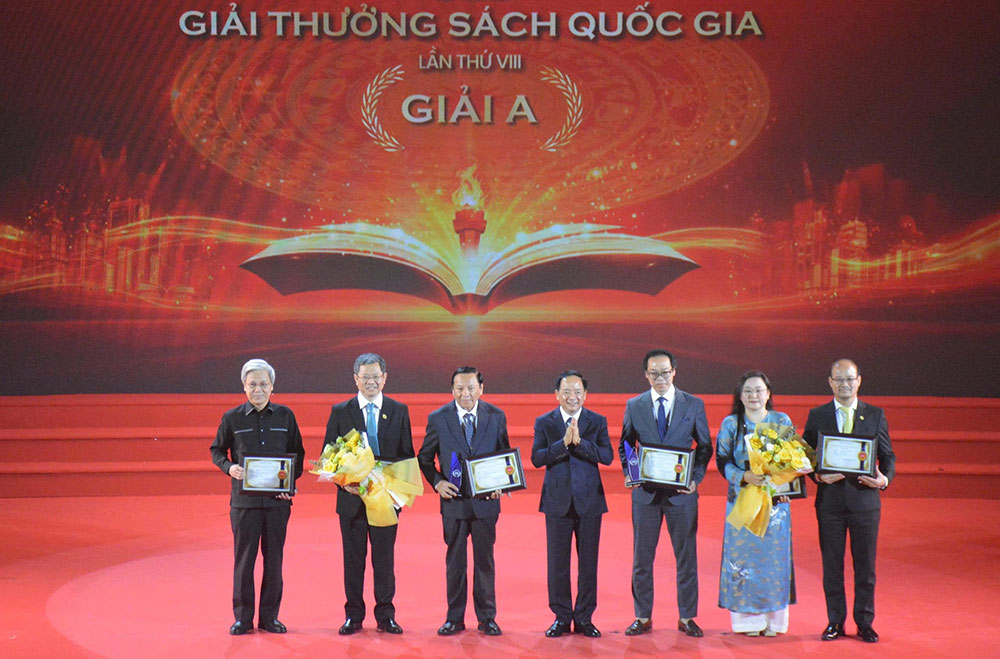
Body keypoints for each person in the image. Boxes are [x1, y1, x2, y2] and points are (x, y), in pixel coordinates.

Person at [618, 349, 713, 637]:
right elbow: (626, 445)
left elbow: (705, 446)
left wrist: (694, 478)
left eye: (665, 372)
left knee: (686, 557)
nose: (660, 378)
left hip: (681, 495)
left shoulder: (693, 404)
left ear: (674, 372)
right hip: (645, 496)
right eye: (654, 373)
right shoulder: (634, 405)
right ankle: (642, 616)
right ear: (646, 375)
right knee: (642, 558)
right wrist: (632, 474)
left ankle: (687, 617)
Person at [210, 358, 305, 636]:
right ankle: (243, 618)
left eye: (263, 384)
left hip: (277, 503)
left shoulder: (286, 416)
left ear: (272, 387)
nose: (258, 389)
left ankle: (269, 618)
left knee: (274, 560)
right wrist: (231, 468)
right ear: (244, 387)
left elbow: (296, 454)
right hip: (244, 503)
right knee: (244, 560)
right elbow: (217, 451)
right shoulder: (232, 418)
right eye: (253, 384)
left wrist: (291, 483)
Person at [803, 359, 895, 644]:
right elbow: (804, 455)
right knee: (832, 565)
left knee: (865, 566)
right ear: (830, 382)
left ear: (859, 381)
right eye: (839, 379)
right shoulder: (817, 415)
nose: (845, 384)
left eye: (849, 379)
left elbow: (889, 457)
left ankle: (865, 623)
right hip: (830, 503)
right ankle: (835, 622)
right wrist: (818, 476)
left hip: (865, 503)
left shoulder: (875, 414)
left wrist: (884, 480)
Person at [324, 353, 414, 635]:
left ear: (385, 378)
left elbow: (406, 456)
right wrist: (342, 481)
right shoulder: (341, 411)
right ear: (356, 379)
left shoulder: (399, 411)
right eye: (366, 377)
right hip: (351, 500)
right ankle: (354, 615)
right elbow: (329, 456)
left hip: (385, 501)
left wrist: (397, 495)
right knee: (353, 559)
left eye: (376, 377)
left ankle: (386, 615)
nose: (371, 382)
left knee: (384, 559)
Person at [418, 366, 510, 637]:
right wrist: (437, 482)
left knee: (485, 561)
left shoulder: (496, 416)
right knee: (455, 562)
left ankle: (487, 617)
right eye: (459, 388)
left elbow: (504, 456)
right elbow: (424, 458)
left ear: (481, 388)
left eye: (471, 388)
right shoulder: (438, 418)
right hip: (454, 503)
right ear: (452, 389)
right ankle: (454, 618)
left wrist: (501, 485)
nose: (465, 393)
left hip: (485, 504)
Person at [531, 370, 614, 638]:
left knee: (588, 563)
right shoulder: (544, 422)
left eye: (577, 391)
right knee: (558, 564)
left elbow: (607, 456)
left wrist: (581, 443)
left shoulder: (597, 421)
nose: (572, 397)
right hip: (557, 502)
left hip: (590, 502)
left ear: (585, 395)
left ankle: (585, 618)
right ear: (556, 394)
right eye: (566, 392)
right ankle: (561, 617)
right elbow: (536, 458)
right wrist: (563, 444)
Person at [716, 371, 796, 636]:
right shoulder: (730, 424)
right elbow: (722, 460)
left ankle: (774, 621)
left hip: (775, 507)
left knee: (774, 560)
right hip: (743, 501)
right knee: (742, 559)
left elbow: (794, 459)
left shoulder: (781, 420)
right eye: (748, 391)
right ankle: (748, 622)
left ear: (768, 393)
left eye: (759, 390)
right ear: (740, 396)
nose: (754, 396)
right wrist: (743, 476)